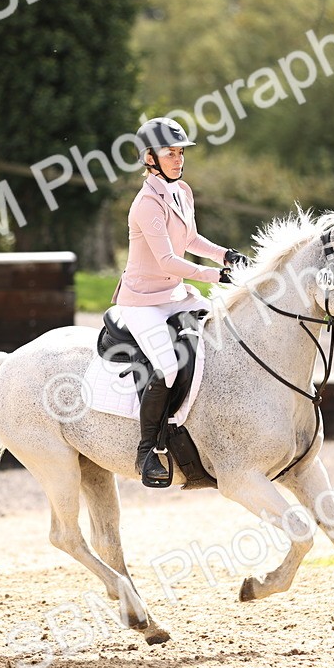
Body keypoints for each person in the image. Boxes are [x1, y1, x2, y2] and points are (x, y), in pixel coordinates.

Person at [111, 117, 249, 487]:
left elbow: (191, 240)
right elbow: (167, 261)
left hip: (175, 296)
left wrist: (226, 256)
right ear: (149, 158)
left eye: (180, 152)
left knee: (222, 337)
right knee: (168, 367)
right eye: (169, 153)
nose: (177, 158)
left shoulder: (181, 192)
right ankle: (147, 450)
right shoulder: (145, 204)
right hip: (142, 302)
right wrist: (216, 276)